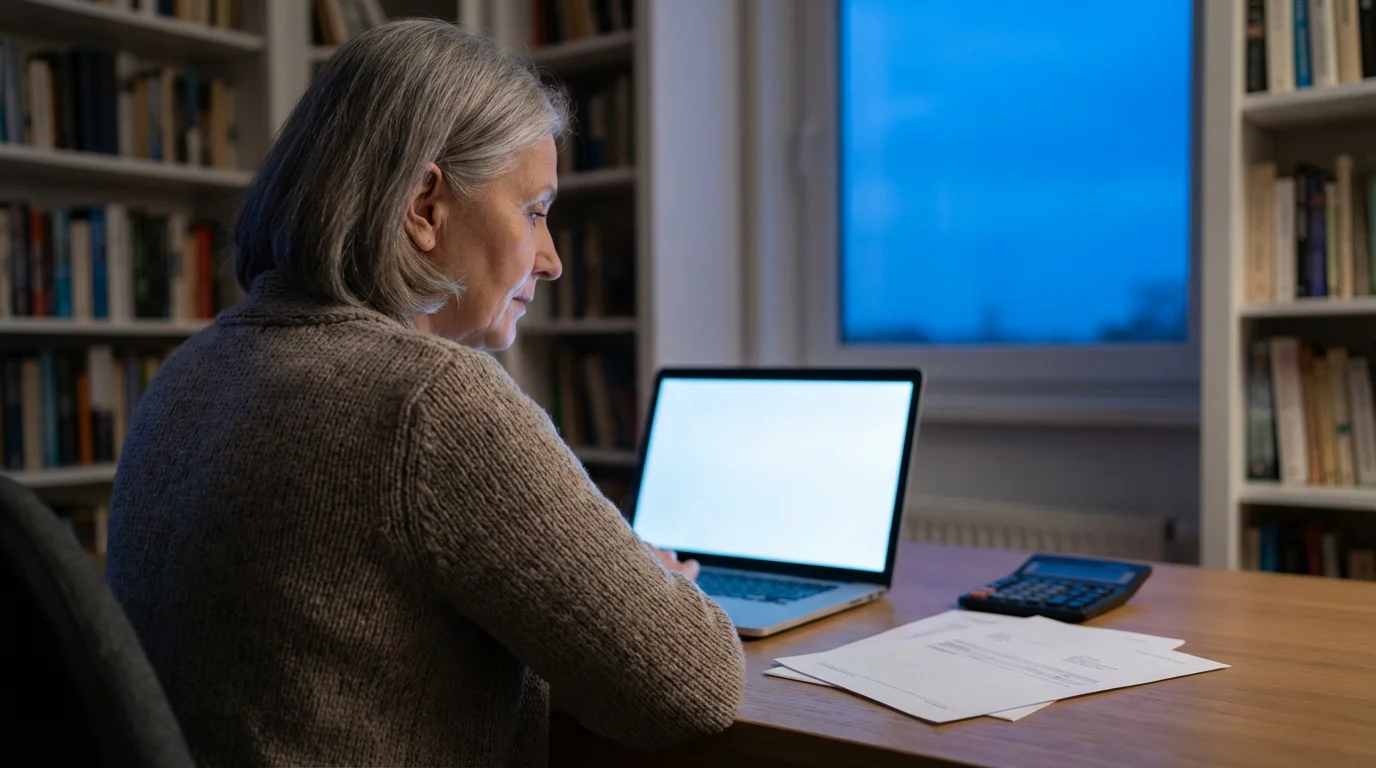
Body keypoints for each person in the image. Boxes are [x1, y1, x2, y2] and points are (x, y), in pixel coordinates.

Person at [106, 19, 745, 768]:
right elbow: (693, 685)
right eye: (534, 212)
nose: (552, 260)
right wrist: (646, 584)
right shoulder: (431, 404)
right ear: (424, 206)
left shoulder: (189, 371)